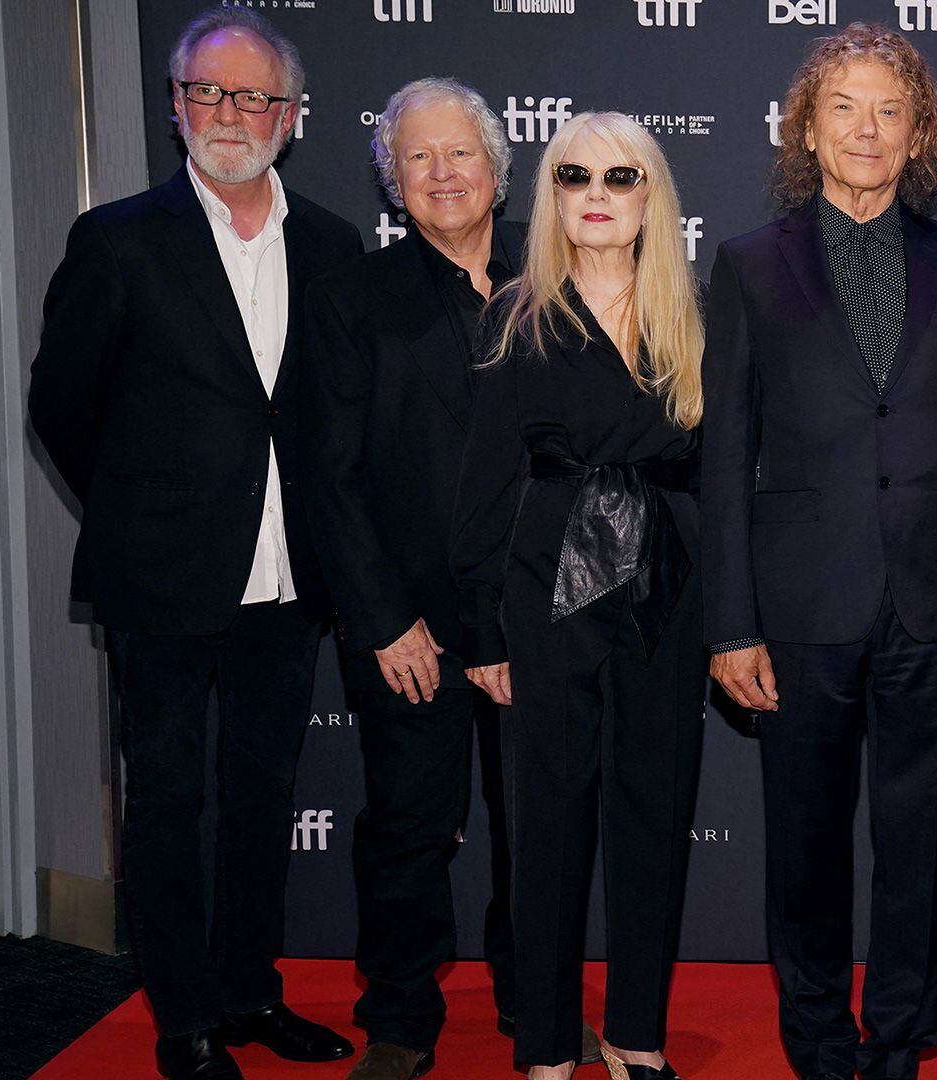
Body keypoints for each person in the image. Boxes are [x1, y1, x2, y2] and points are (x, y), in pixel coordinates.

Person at [28, 9, 359, 1079]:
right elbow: (62, 406)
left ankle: (250, 993)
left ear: (292, 118)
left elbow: (333, 413)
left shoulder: (329, 243)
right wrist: (142, 512)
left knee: (263, 796)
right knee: (167, 801)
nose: (233, 114)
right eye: (211, 92)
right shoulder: (117, 238)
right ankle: (184, 1017)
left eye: (256, 96)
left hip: (288, 575)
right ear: (176, 105)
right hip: (162, 580)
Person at [700, 22, 937, 1080]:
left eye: (890, 109)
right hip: (799, 607)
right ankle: (816, 1038)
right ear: (806, 124)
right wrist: (732, 622)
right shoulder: (749, 266)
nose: (867, 128)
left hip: (934, 605)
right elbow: (725, 456)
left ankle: (897, 1037)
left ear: (920, 132)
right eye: (844, 106)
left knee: (915, 846)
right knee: (802, 845)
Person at [298, 78, 601, 1080]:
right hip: (415, 624)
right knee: (410, 825)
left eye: (459, 153)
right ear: (393, 179)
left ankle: (537, 1004)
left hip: (539, 613)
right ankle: (398, 1017)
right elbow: (328, 476)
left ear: (497, 165)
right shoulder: (356, 296)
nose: (441, 175)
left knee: (539, 826)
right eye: (417, 159)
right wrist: (385, 622)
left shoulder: (557, 275)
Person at [450, 110, 704, 1080]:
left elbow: (721, 476)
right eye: (575, 176)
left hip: (670, 591)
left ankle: (635, 1030)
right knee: (546, 829)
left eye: (621, 177)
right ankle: (549, 1046)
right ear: (551, 195)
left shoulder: (694, 317)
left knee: (653, 815)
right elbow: (480, 488)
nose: (597, 194)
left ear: (650, 197)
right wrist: (482, 632)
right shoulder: (519, 316)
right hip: (545, 589)